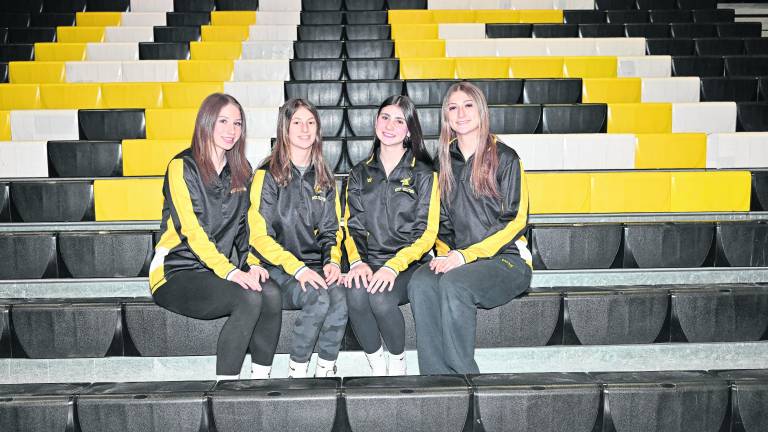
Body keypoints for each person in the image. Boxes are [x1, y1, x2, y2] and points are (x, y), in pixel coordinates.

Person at [149, 93, 282, 380]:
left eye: (237, 123)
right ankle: (227, 391)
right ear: (206, 122)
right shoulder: (182, 167)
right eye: (223, 121)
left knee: (270, 293)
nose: (231, 130)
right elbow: (191, 231)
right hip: (176, 270)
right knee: (248, 299)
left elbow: (245, 229)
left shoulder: (242, 172)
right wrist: (232, 272)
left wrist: (252, 263)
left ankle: (261, 380)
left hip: (213, 271)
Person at [408, 82, 533, 375]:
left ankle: (466, 379)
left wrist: (465, 257)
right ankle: (436, 377)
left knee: (456, 283)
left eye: (468, 105)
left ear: (481, 110)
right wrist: (447, 254)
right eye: (453, 107)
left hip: (507, 260)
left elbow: (515, 220)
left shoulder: (506, 157)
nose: (460, 113)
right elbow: (441, 224)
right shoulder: (442, 162)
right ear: (446, 117)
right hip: (461, 259)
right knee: (421, 282)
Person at [247, 99, 347, 378]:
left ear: (318, 130)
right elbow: (260, 236)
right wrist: (298, 269)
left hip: (314, 265)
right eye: (297, 123)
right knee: (317, 298)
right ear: (285, 129)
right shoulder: (266, 175)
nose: (304, 129)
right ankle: (298, 371)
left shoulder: (325, 177)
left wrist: (333, 263)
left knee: (340, 297)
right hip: (277, 267)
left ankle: (326, 369)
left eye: (310, 123)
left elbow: (331, 230)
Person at [344, 95, 440, 376]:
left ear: (409, 130)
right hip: (369, 259)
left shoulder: (424, 173)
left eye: (399, 120)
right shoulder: (359, 173)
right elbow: (352, 226)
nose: (390, 125)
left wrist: (392, 266)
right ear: (375, 122)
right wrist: (358, 262)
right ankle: (376, 364)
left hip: (409, 263)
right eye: (385, 117)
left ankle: (398, 362)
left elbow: (427, 233)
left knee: (381, 298)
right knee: (356, 294)